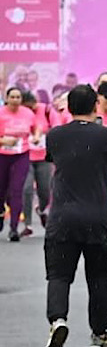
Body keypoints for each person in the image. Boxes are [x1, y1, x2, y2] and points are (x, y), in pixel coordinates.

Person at [42, 84, 107, 347]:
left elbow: (52, 159)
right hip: (98, 216)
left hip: (62, 217)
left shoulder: (55, 136)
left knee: (58, 275)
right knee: (99, 278)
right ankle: (99, 335)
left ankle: (58, 320)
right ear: (96, 106)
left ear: (68, 108)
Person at [0, 86, 40, 241]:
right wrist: (4, 140)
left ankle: (14, 228)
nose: (16, 100)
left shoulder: (28, 113)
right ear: (7, 98)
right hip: (2, 155)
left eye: (18, 97)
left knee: (17, 190)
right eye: (13, 97)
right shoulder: (1, 113)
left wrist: (36, 136)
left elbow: (36, 128)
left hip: (21, 154)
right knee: (1, 190)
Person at [21, 89, 58, 237]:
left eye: (32, 107)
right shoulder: (21, 114)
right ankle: (28, 224)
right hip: (25, 156)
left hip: (44, 157)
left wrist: (43, 134)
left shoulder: (47, 110)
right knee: (27, 189)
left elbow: (57, 129)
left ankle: (42, 210)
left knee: (44, 190)